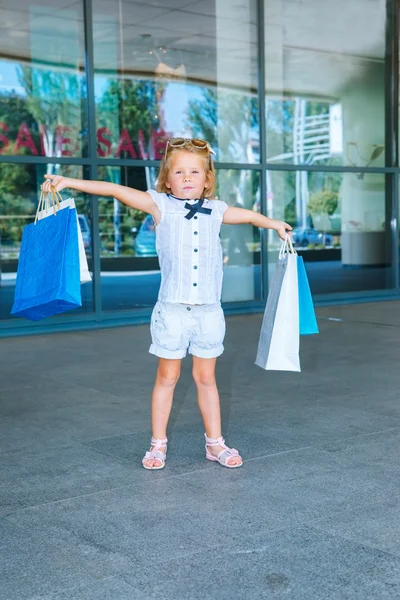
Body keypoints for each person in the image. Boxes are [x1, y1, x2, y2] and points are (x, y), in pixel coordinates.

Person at [41, 137, 292, 470]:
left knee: (206, 379)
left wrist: (274, 224)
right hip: (172, 312)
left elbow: (248, 217)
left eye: (194, 172)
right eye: (179, 172)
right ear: (166, 178)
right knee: (167, 377)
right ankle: (157, 445)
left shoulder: (217, 210)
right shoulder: (159, 205)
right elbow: (115, 190)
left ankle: (214, 444)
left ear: (207, 179)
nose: (187, 178)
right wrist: (68, 181)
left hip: (208, 313)